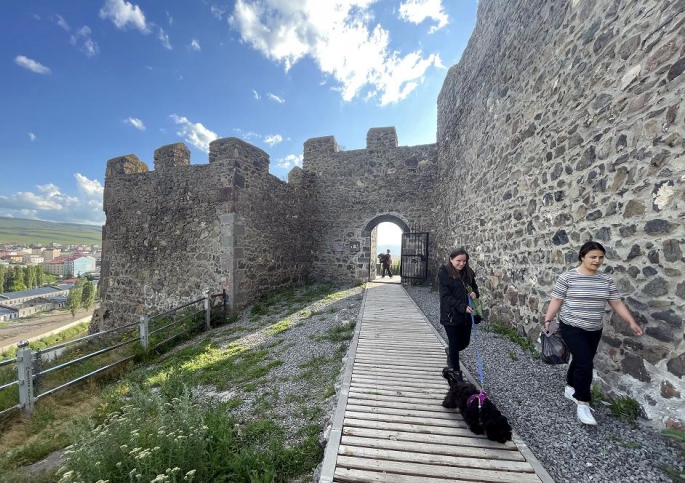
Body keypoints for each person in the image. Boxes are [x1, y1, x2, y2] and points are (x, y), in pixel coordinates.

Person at [544, 241, 644, 426]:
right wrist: (548, 319)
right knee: (585, 363)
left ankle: (571, 387)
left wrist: (631, 322)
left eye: (600, 257)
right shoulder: (568, 277)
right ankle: (582, 403)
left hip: (594, 328)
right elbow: (557, 299)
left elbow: (616, 302)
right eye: (593, 257)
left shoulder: (605, 280)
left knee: (582, 359)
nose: (597, 261)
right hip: (571, 325)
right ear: (582, 256)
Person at [439, 248, 480, 382]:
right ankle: (456, 374)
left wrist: (474, 293)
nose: (462, 263)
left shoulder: (468, 273)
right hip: (451, 315)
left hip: (466, 316)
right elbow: (445, 297)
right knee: (455, 343)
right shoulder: (444, 274)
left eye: (464, 261)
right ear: (451, 260)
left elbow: (474, 288)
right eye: (459, 261)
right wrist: (462, 307)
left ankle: (450, 351)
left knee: (464, 343)